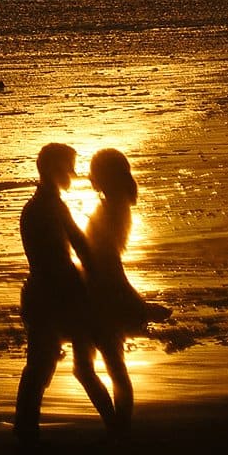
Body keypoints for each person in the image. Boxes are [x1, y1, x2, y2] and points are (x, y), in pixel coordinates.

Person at [15, 141, 119, 438]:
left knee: (42, 366)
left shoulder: (40, 207)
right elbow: (80, 249)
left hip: (45, 294)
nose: (73, 174)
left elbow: (76, 249)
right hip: (60, 295)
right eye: (68, 168)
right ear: (52, 169)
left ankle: (26, 428)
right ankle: (114, 425)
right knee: (61, 367)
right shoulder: (49, 208)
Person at [80, 147, 170, 429]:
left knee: (106, 367)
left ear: (105, 176)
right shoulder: (114, 207)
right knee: (100, 367)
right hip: (97, 292)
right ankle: (117, 428)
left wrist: (136, 301)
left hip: (101, 296)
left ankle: (118, 430)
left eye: (94, 172)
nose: (90, 177)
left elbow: (109, 262)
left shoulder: (114, 211)